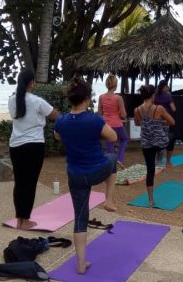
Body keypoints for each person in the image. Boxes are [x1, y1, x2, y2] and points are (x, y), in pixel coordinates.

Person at [54, 77, 118, 275]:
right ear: (87, 98)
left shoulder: (62, 121)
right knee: (113, 157)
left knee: (80, 218)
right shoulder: (94, 120)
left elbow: (58, 136)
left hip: (76, 176)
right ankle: (109, 199)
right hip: (96, 171)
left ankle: (81, 263)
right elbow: (113, 137)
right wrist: (93, 135)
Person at [8, 69, 59, 230]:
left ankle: (19, 220)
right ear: (32, 83)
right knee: (30, 183)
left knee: (20, 182)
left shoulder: (11, 100)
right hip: (34, 146)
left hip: (16, 146)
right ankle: (25, 221)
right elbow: (55, 115)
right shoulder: (37, 101)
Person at [134, 84, 175, 207]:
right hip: (160, 142)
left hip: (146, 144)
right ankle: (166, 160)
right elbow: (172, 122)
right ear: (153, 95)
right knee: (173, 136)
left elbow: (137, 123)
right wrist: (160, 121)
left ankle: (150, 200)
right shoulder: (159, 108)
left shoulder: (137, 110)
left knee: (150, 171)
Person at [98, 75, 129, 169]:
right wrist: (119, 113)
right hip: (117, 124)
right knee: (124, 139)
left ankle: (111, 165)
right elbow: (124, 115)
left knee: (109, 143)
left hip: (106, 124)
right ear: (115, 85)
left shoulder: (101, 97)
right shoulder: (118, 98)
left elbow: (100, 112)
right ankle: (119, 158)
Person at [153, 79, 177, 167]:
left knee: (156, 138)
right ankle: (161, 160)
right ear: (165, 86)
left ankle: (156, 159)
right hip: (165, 120)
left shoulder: (155, 95)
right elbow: (173, 108)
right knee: (164, 139)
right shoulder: (168, 96)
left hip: (155, 120)